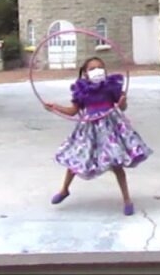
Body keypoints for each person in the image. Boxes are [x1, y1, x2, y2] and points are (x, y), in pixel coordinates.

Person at [44, 56, 152, 216]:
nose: (97, 71)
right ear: (85, 73)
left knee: (116, 163)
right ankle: (64, 189)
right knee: (76, 159)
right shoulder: (82, 90)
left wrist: (122, 103)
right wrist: (55, 107)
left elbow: (122, 107)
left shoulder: (111, 86)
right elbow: (73, 111)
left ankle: (127, 199)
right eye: (92, 69)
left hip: (110, 128)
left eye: (100, 67)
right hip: (89, 128)